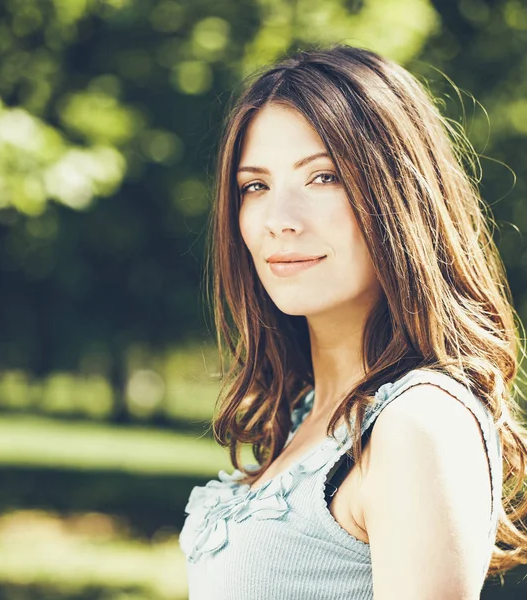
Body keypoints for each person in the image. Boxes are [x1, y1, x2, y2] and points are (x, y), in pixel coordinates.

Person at [178, 44, 527, 599]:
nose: (279, 221)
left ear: (397, 197)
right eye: (256, 186)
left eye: (323, 178)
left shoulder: (418, 421)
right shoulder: (304, 415)